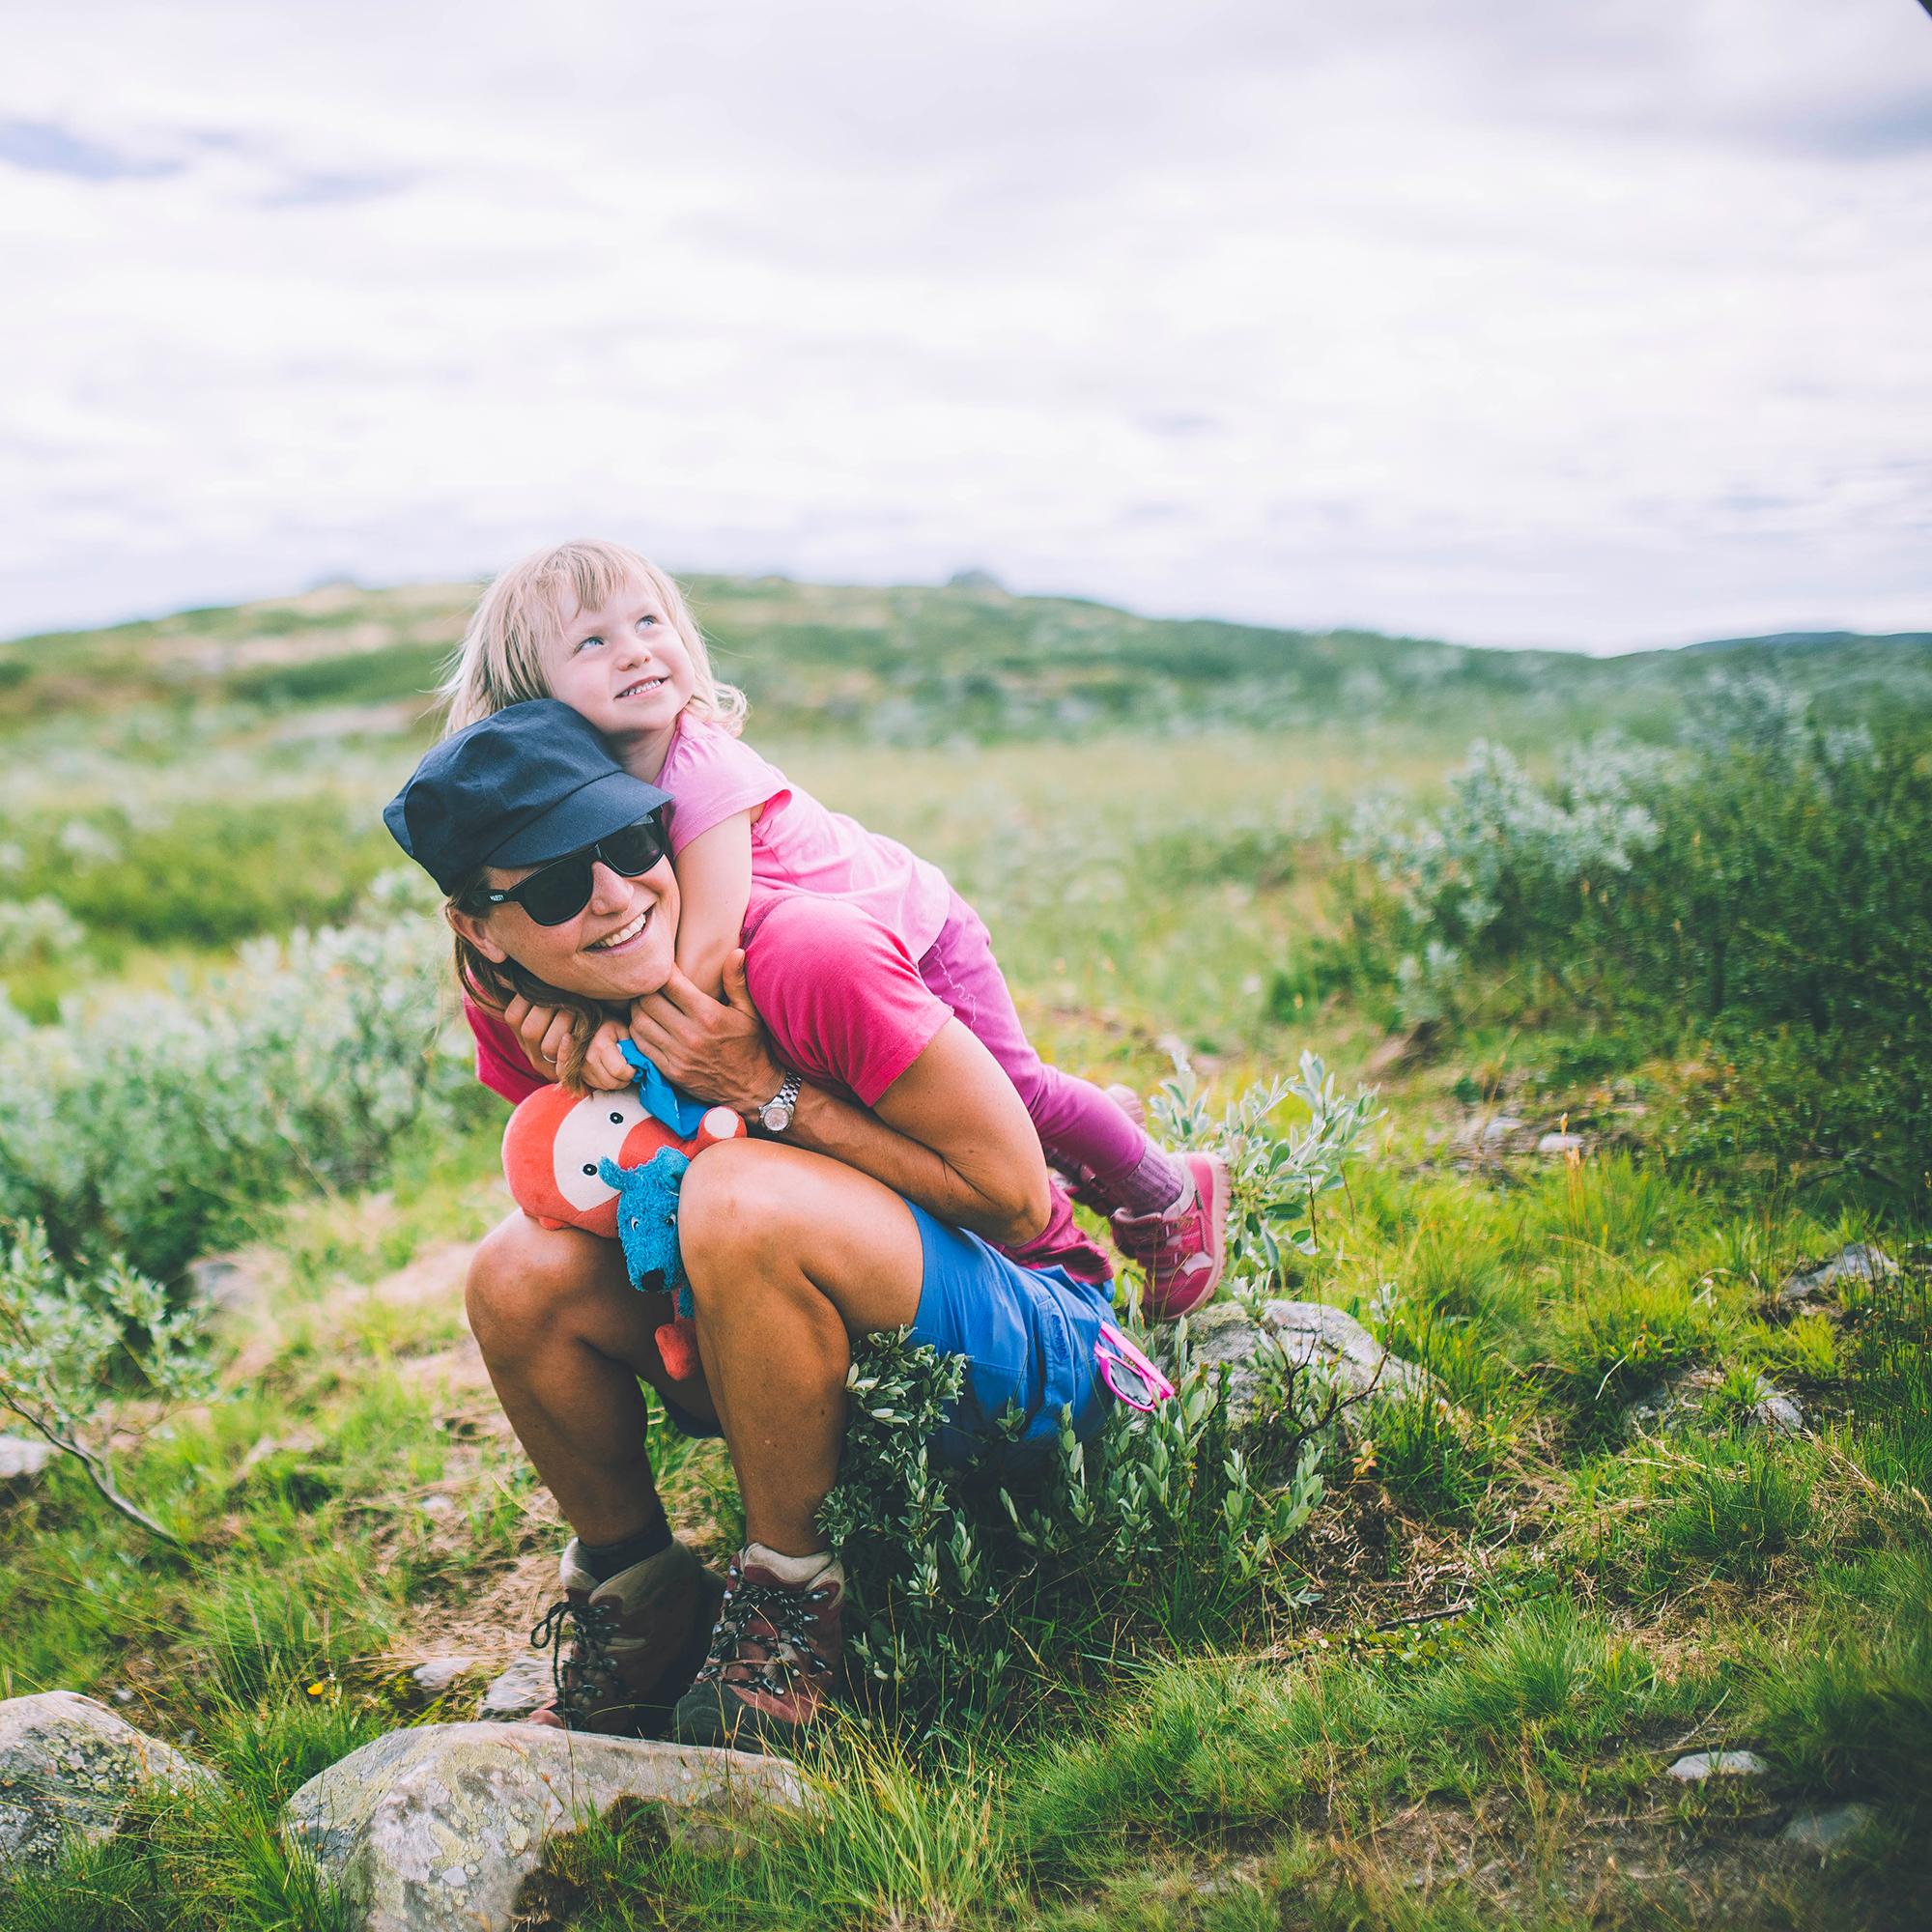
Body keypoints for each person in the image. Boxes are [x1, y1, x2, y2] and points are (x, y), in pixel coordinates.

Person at [382, 701, 1171, 1750]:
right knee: (514, 1272)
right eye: (561, 885)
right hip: (792, 1343)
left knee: (739, 1198)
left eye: (626, 840)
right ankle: (641, 1592)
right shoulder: (527, 1005)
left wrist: (768, 1092)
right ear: (479, 927)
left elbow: (1019, 1200)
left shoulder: (802, 953)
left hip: (1041, 1340)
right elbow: (614, 1193)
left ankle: (790, 1595)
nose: (617, 895)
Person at [439, 537, 1227, 1318]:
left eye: (651, 623)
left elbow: (702, 961)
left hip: (912, 935)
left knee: (1017, 1098)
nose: (636, 653)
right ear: (529, 696)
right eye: (592, 641)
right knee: (925, 1107)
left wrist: (605, 1038)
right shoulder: (591, 796)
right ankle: (1088, 1147)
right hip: (827, 972)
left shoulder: (698, 768)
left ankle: (1166, 1191)